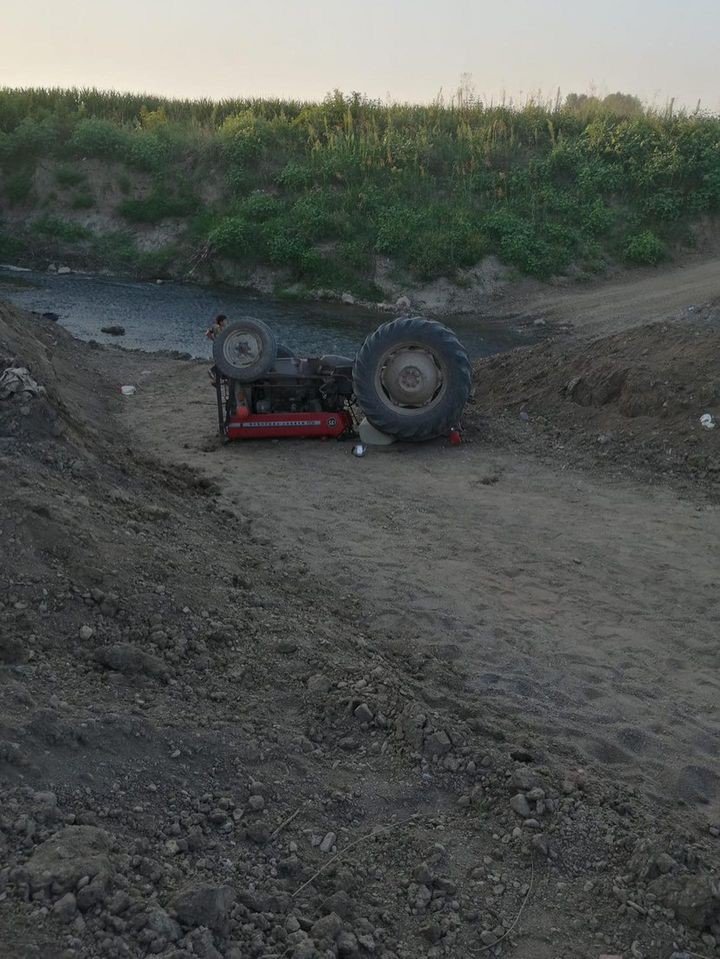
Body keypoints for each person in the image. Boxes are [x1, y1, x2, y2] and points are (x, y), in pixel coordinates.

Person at [206, 314, 227, 385]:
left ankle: (216, 380)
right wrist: (215, 340)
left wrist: (213, 340)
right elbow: (208, 333)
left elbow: (207, 333)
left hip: (217, 346)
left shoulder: (214, 326)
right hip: (220, 347)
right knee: (222, 362)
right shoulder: (218, 327)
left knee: (222, 361)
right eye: (225, 321)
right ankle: (212, 371)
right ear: (221, 322)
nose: (226, 322)